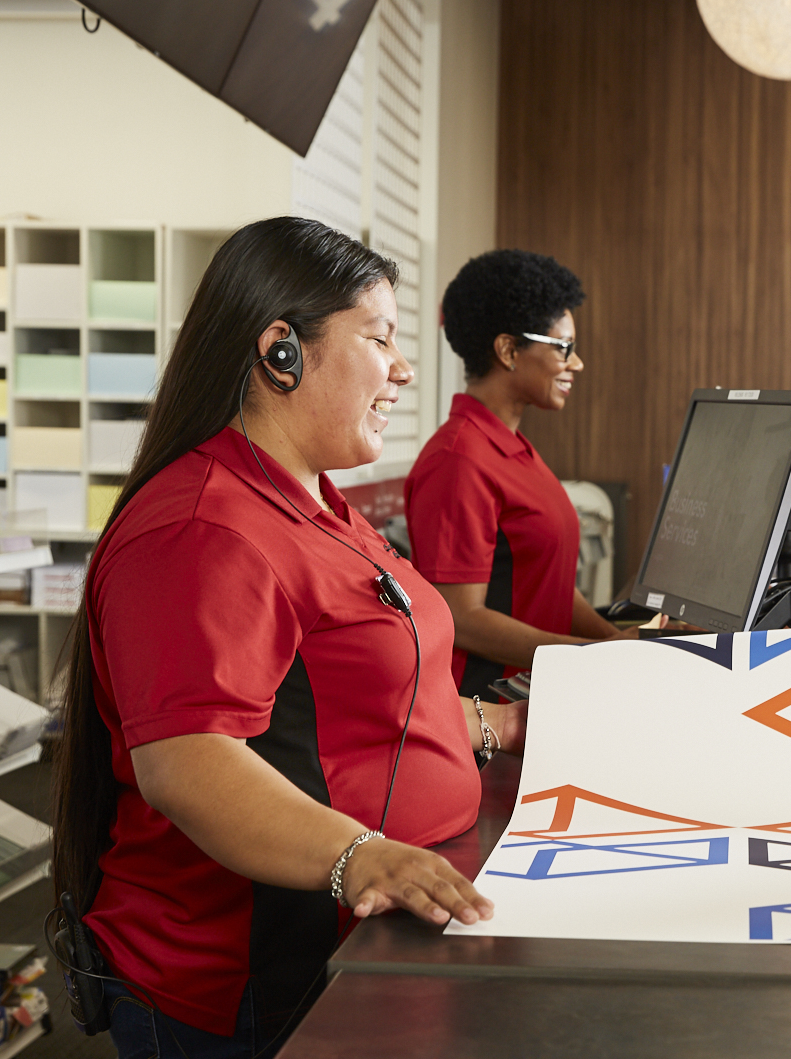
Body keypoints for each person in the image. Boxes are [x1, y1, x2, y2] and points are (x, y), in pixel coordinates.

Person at [50, 218, 523, 1058]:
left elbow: (350, 704)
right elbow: (188, 762)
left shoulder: (314, 502)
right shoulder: (203, 529)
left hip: (347, 942)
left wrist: (500, 723)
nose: (404, 369)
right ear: (281, 352)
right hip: (247, 982)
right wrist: (360, 856)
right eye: (379, 338)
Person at [405, 249, 627, 698]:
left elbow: (547, 580)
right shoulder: (458, 460)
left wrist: (615, 642)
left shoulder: (513, 447)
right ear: (508, 350)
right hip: (488, 705)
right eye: (563, 347)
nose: (576, 363)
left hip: (537, 689)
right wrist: (586, 655)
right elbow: (461, 616)